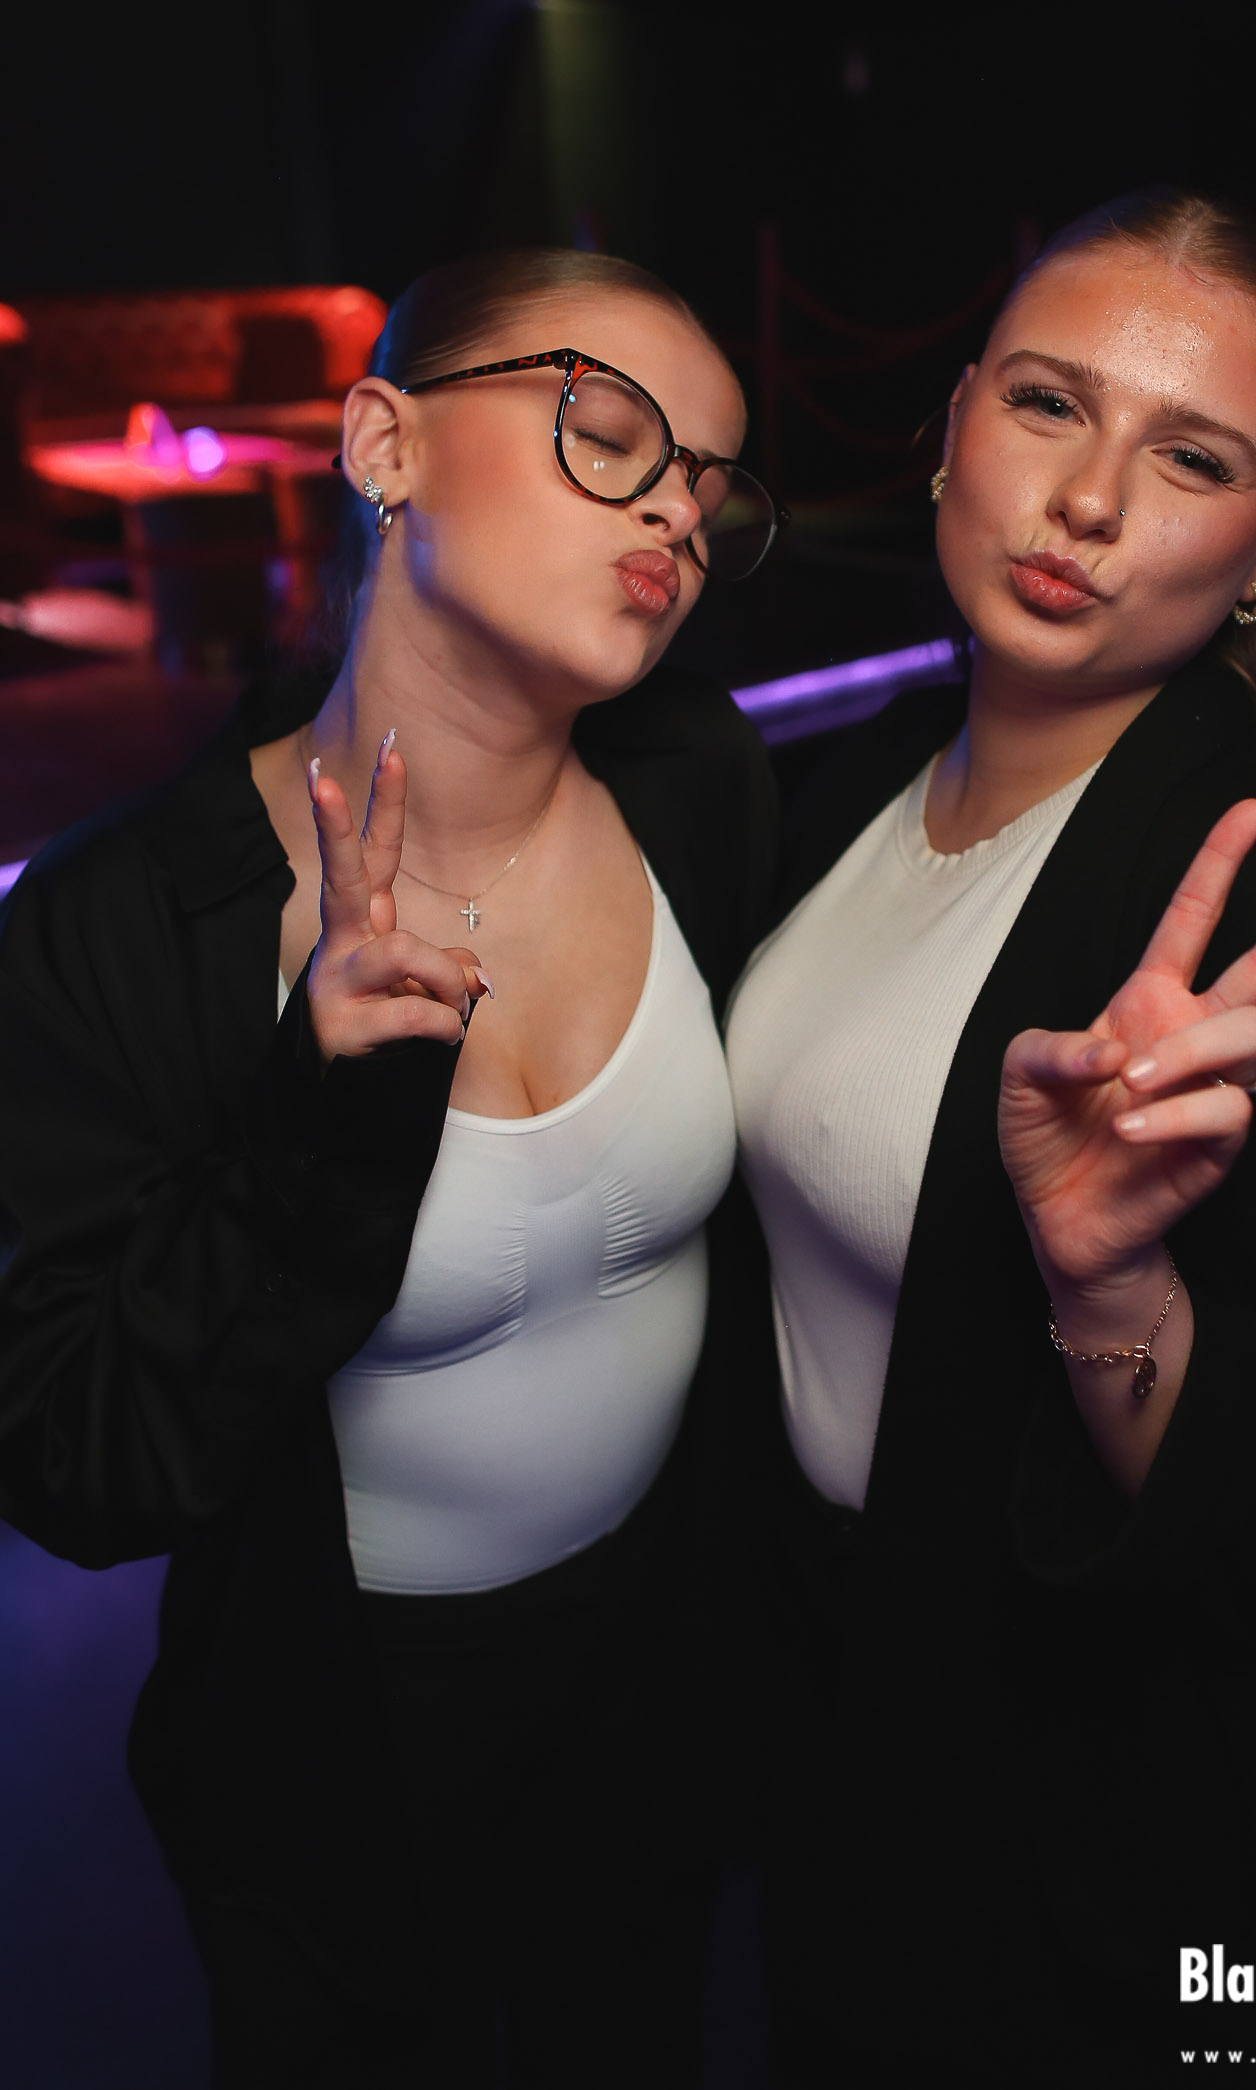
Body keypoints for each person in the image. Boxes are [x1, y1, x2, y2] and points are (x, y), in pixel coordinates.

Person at [0, 248, 782, 2087]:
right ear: (384, 443)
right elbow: (74, 1457)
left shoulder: (703, 782)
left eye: (708, 483)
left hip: (658, 1691)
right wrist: (313, 1126)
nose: (675, 508)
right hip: (332, 1746)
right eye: (609, 431)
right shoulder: (127, 921)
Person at [724, 189, 1256, 2086]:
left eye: (1193, 457)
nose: (1088, 501)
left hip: (1073, 1848)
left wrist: (1113, 1284)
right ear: (954, 420)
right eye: (1050, 402)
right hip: (828, 1733)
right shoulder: (838, 791)